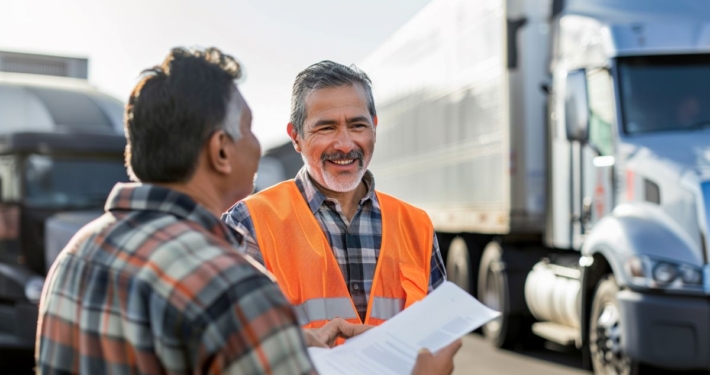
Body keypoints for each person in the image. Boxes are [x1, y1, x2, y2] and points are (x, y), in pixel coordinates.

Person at [35, 47, 460, 375]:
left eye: (357, 124)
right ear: (222, 150)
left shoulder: (74, 255)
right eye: (249, 129)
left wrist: (294, 345)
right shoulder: (227, 277)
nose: (258, 145)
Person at [222, 61, 446, 330]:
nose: (344, 144)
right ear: (295, 137)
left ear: (374, 126)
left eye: (357, 125)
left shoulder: (416, 226)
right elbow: (238, 345)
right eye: (326, 128)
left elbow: (437, 334)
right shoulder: (248, 224)